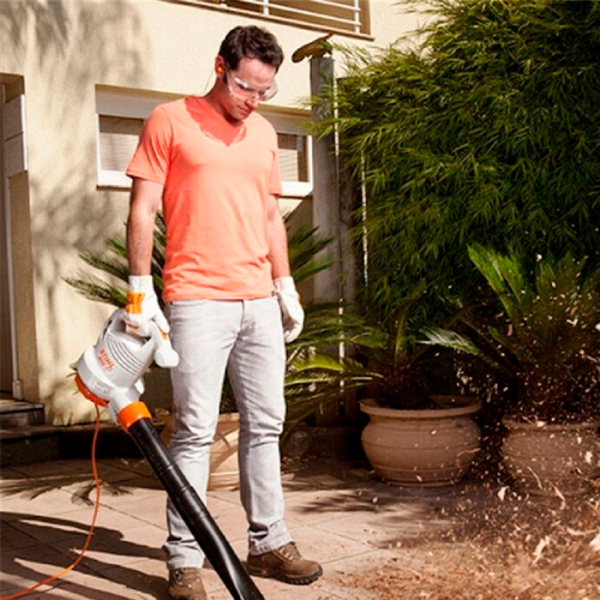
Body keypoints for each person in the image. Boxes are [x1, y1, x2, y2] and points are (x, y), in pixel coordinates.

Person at [124, 25, 323, 600]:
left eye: (264, 90)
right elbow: (142, 209)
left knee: (266, 424)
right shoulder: (169, 120)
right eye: (244, 87)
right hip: (196, 299)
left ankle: (268, 542)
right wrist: (139, 290)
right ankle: (185, 559)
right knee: (194, 431)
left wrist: (284, 283)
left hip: (258, 300)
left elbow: (269, 216)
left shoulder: (263, 132)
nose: (253, 100)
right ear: (220, 67)